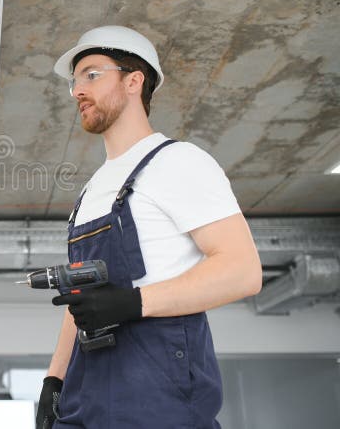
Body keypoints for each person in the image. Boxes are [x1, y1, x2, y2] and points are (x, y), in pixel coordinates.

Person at [35, 26, 262, 429]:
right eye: (74, 82)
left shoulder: (177, 162)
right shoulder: (91, 190)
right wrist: (55, 377)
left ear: (133, 81)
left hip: (157, 389)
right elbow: (82, 300)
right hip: (86, 392)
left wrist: (133, 303)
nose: (77, 91)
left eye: (91, 74)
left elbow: (242, 271)